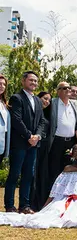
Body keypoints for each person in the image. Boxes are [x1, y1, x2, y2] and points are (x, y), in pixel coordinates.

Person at [21, 144, 77, 229]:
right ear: (73, 156)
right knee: (60, 214)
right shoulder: (69, 169)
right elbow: (56, 190)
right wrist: (44, 209)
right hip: (69, 201)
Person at [4, 71, 46, 214]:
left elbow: (42, 121)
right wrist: (29, 135)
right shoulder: (17, 98)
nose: (33, 83)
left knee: (29, 175)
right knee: (14, 174)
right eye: (31, 80)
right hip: (20, 144)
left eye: (35, 81)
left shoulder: (38, 101)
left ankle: (25, 206)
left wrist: (37, 136)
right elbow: (16, 119)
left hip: (33, 144)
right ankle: (9, 206)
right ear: (23, 81)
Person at [48, 82, 77, 187]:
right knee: (55, 169)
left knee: (68, 168)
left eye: (69, 88)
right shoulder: (53, 103)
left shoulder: (75, 104)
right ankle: (54, 196)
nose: (68, 90)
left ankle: (66, 195)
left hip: (70, 143)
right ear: (58, 91)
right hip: (56, 142)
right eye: (65, 88)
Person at [30, 91, 52, 211]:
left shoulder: (48, 114)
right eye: (44, 98)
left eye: (49, 100)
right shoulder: (34, 111)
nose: (46, 102)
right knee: (33, 175)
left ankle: (41, 204)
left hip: (45, 147)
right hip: (33, 145)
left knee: (42, 175)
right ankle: (31, 203)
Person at [0, 74, 11, 165]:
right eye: (0, 84)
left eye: (4, 84)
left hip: (2, 142)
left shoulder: (3, 102)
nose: (2, 86)